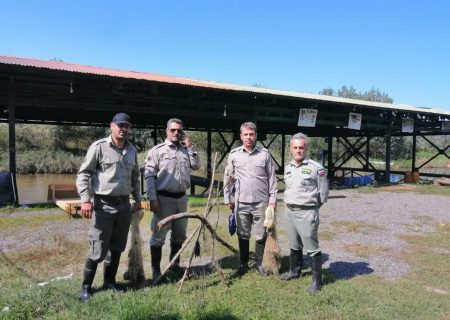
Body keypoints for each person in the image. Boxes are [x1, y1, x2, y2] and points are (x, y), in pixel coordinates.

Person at [76, 112, 141, 302]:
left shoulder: (132, 150)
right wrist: (85, 200)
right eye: (119, 125)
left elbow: (135, 177)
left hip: (124, 205)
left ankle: (109, 283)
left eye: (126, 126)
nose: (123, 129)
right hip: (103, 204)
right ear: (111, 126)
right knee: (98, 248)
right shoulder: (99, 147)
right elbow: (84, 174)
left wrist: (137, 199)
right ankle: (86, 288)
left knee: (117, 247)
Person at [144, 118, 200, 283]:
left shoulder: (185, 150)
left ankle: (175, 266)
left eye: (179, 130)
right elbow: (149, 176)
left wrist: (191, 148)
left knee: (179, 235)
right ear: (166, 131)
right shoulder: (157, 151)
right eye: (173, 130)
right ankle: (156, 271)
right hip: (163, 199)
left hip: (182, 198)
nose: (176, 133)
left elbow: (196, 166)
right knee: (158, 236)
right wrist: (152, 198)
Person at [223, 121, 278, 276]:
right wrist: (228, 198)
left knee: (261, 233)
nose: (248, 137)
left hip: (261, 202)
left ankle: (259, 265)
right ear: (241, 136)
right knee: (243, 233)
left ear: (256, 136)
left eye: (251, 134)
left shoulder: (265, 154)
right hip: (241, 202)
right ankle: (243, 264)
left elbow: (272, 179)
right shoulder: (234, 155)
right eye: (245, 134)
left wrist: (273, 200)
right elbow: (228, 177)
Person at [280, 132, 328, 293]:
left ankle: (317, 281)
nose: (298, 150)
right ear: (290, 149)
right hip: (289, 211)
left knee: (312, 247)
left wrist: (311, 208)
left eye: (301, 147)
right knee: (294, 244)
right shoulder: (288, 167)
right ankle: (295, 271)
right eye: (295, 147)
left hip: (307, 212)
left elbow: (323, 194)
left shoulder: (316, 168)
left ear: (306, 148)